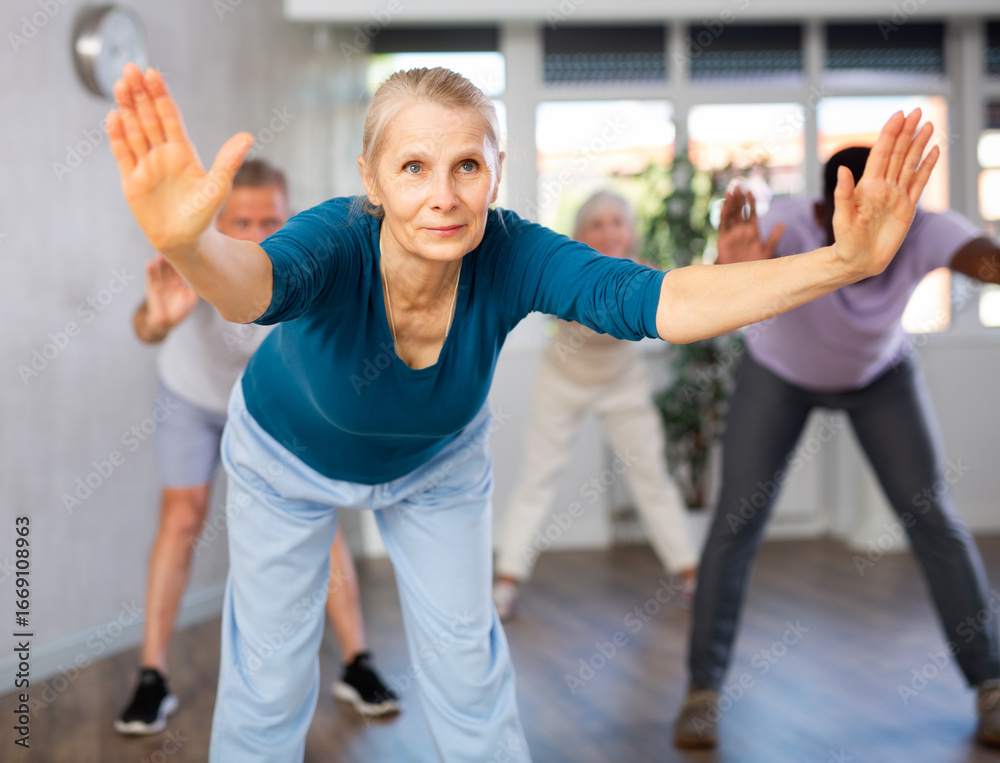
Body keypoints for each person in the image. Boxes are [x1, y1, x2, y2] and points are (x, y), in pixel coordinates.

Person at [106, 59, 937, 761]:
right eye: (414, 167)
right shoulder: (333, 238)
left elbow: (659, 299)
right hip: (285, 461)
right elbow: (253, 288)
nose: (444, 195)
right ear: (372, 178)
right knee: (271, 681)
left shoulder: (510, 251)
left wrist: (843, 261)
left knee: (470, 673)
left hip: (436, 467)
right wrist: (191, 245)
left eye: (468, 165)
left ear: (496, 173)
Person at [673, 146, 1000, 750]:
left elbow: (987, 262)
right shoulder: (789, 224)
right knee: (734, 526)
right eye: (857, 210)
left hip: (880, 379)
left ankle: (992, 686)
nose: (876, 226)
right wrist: (730, 270)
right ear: (826, 208)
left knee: (933, 519)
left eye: (888, 210)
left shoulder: (924, 228)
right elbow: (729, 284)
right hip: (779, 375)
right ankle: (702, 693)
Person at [115, 160, 398, 736]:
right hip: (192, 398)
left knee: (319, 513)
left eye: (269, 218)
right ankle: (151, 677)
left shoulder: (310, 261)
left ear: (287, 215)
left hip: (270, 402)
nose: (256, 233)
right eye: (241, 221)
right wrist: (158, 318)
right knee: (182, 516)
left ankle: (357, 663)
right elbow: (144, 327)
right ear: (220, 222)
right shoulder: (193, 253)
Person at [492, 190, 698, 621]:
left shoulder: (648, 275)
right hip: (563, 380)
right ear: (581, 233)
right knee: (538, 477)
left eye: (618, 222)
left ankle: (691, 573)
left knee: (651, 477)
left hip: (622, 382)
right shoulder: (567, 269)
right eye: (597, 224)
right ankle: (507, 580)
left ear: (630, 232)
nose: (610, 232)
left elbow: (686, 310)